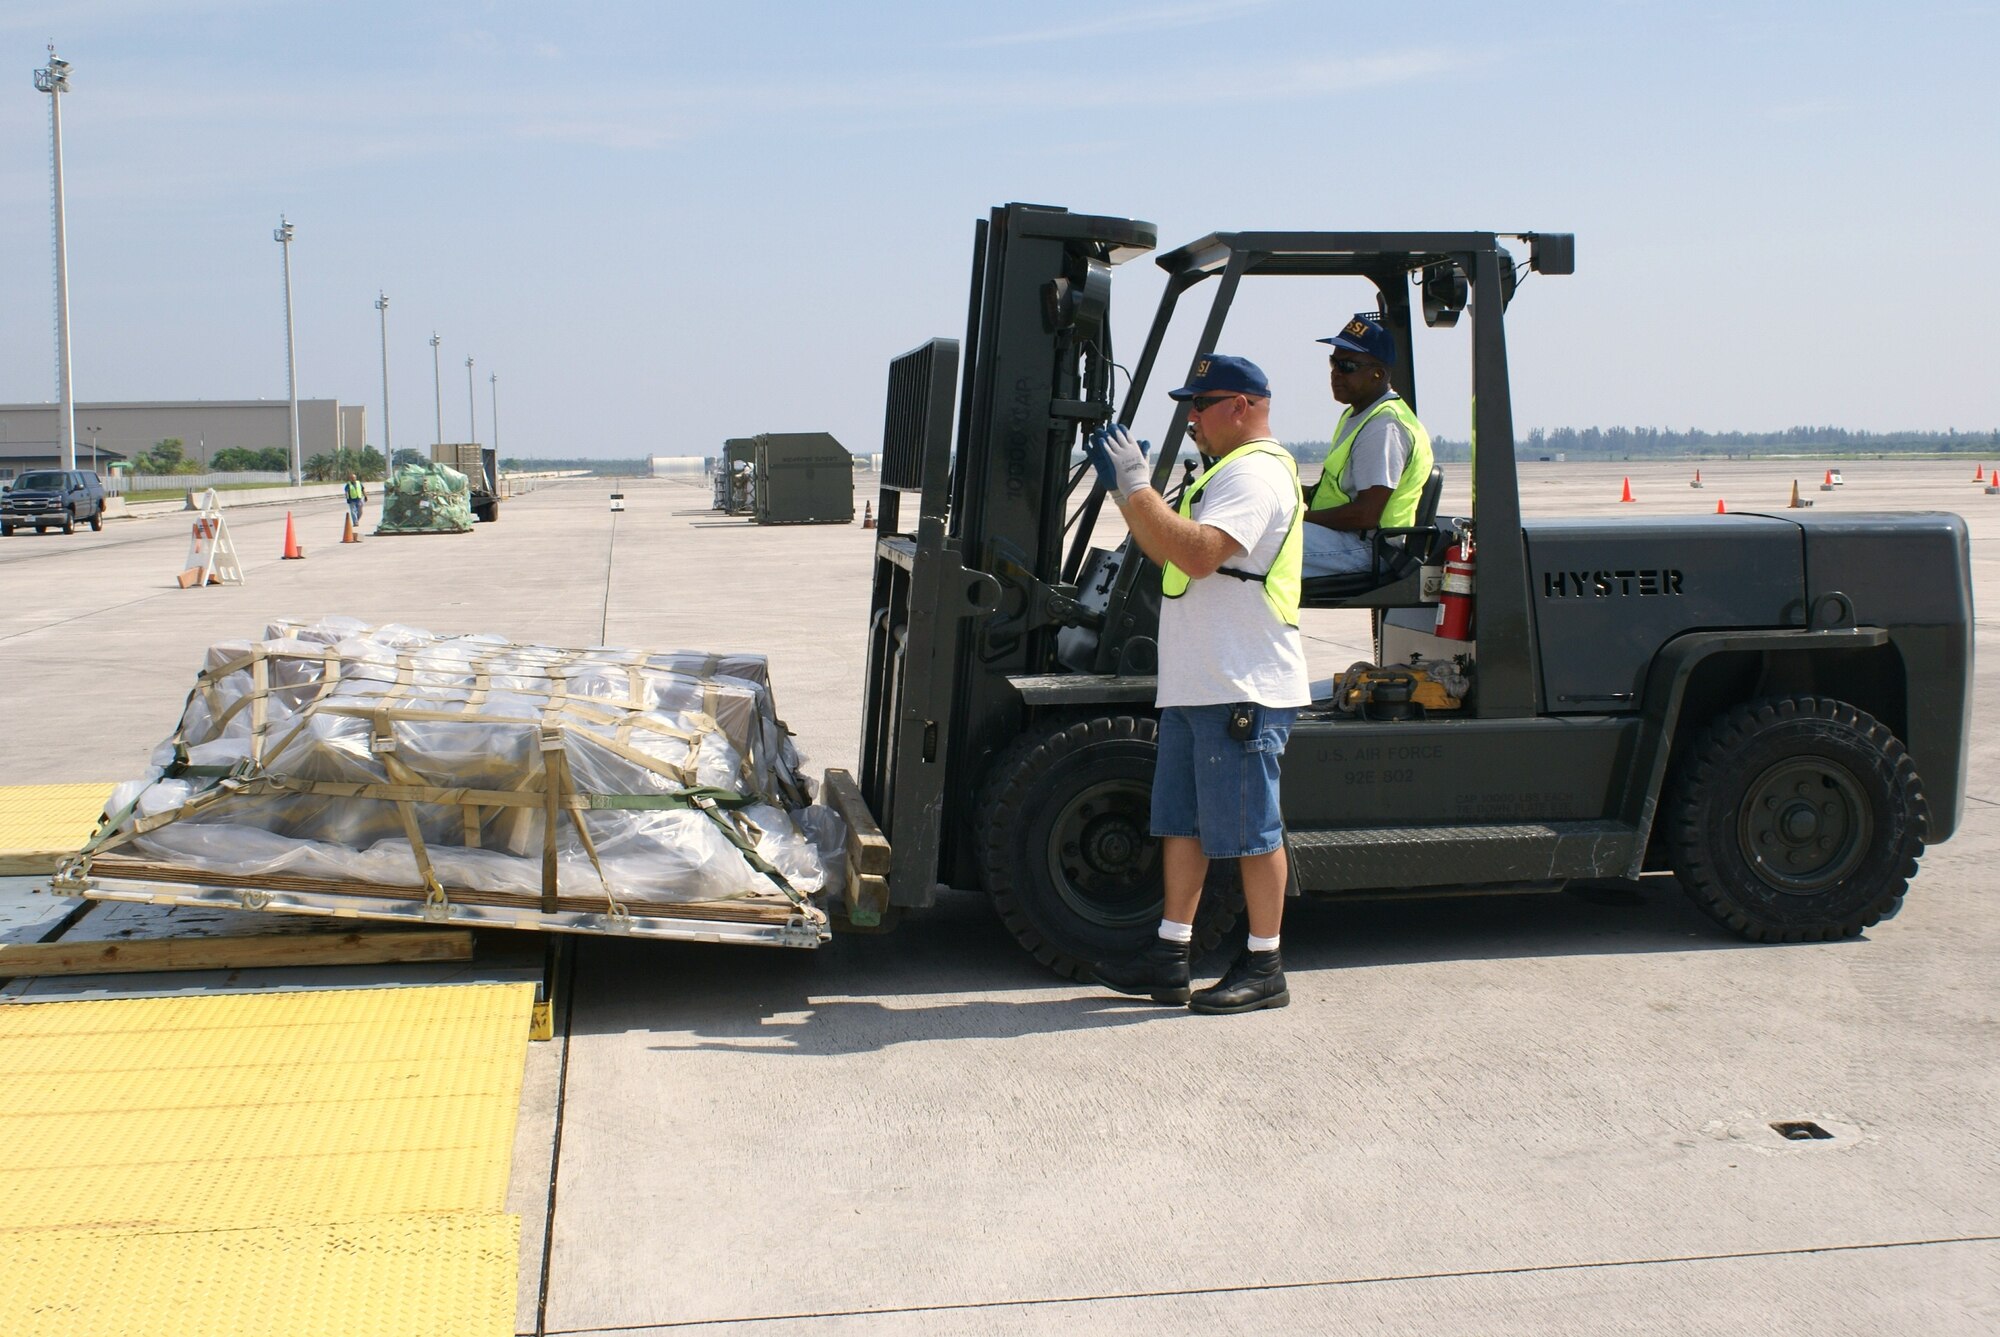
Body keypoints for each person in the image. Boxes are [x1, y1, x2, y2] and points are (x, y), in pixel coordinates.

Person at [1084, 355, 1307, 1014]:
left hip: (1239, 682)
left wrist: (1137, 485)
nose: (1191, 418)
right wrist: (1131, 494)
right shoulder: (1221, 474)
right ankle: (1169, 954)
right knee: (1181, 825)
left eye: (1200, 404)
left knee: (1252, 830)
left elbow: (1200, 553)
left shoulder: (1256, 474)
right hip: (1199, 682)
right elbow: (1166, 544)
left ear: (1240, 405)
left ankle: (1265, 964)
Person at [1301, 313, 1435, 577]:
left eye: (1347, 366)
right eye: (1334, 363)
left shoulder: (1384, 427)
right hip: (1343, 538)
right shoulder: (1357, 415)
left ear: (1378, 373)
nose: (1336, 373)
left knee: (1248, 541)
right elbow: (1340, 491)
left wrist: (1296, 518)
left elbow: (1366, 514)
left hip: (1368, 548)